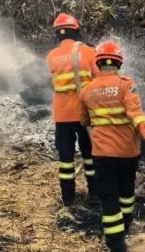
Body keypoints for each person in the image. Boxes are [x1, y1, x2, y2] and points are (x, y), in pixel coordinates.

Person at [79, 40, 145, 252]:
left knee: (108, 197)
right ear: (119, 62)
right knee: (126, 193)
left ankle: (115, 244)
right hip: (127, 153)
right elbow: (136, 114)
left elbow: (84, 120)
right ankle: (125, 228)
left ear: (98, 63)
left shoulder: (86, 90)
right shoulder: (126, 85)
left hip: (102, 154)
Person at [45, 13, 99, 213]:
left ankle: (68, 199)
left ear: (57, 34)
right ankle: (95, 196)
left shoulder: (51, 56)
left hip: (62, 115)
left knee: (66, 159)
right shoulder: (88, 52)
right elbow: (98, 79)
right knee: (90, 156)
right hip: (85, 114)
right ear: (76, 31)